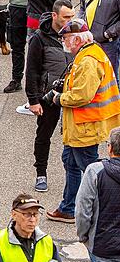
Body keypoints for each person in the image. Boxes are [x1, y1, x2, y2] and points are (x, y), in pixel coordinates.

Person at [45, 19, 120, 224]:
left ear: (77, 39)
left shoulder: (88, 61)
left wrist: (58, 98)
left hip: (86, 126)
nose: (63, 41)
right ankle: (69, 208)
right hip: (81, 125)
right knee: (70, 162)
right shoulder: (87, 53)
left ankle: (103, 212)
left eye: (66, 38)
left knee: (92, 171)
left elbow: (82, 96)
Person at [26, 0, 74, 191]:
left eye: (72, 16)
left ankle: (73, 176)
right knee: (44, 135)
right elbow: (31, 71)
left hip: (72, 95)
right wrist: (33, 100)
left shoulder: (75, 34)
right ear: (54, 16)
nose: (69, 20)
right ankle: (41, 174)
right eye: (65, 17)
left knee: (73, 137)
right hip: (49, 96)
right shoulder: (39, 38)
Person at [75, 126, 120, 262]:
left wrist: (83, 236)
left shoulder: (95, 171)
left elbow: (83, 210)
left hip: (103, 248)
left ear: (110, 148)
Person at [0, 195, 62, 262]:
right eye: (27, 214)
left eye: (35, 214)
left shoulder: (47, 241)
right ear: (14, 215)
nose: (32, 219)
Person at [81, 0, 120, 78]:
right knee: (90, 77)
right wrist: (82, 25)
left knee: (110, 78)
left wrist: (107, 33)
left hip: (108, 44)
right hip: (88, 41)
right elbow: (83, 6)